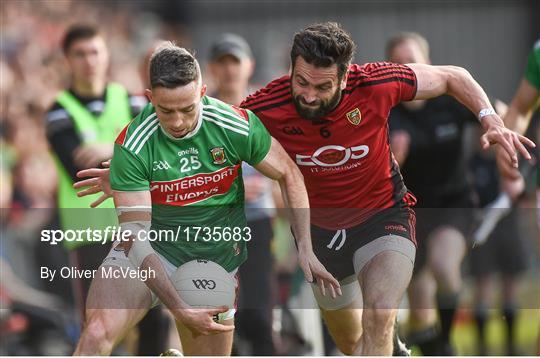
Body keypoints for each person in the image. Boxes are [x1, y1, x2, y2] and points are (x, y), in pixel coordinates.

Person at [77, 23, 535, 355]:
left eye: (322, 86)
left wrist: (491, 120)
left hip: (383, 217)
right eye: (301, 82)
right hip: (320, 235)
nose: (309, 95)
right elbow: (197, 132)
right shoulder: (266, 105)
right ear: (289, 71)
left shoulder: (377, 83)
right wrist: (127, 172)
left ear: (345, 75)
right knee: (352, 340)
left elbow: (454, 75)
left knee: (378, 314)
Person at [72, 43, 339, 356]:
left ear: (202, 92)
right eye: (165, 111)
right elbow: (134, 238)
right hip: (149, 249)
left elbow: (289, 174)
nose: (177, 122)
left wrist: (305, 247)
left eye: (187, 109)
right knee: (97, 333)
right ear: (150, 98)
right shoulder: (133, 143)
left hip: (211, 259)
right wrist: (177, 307)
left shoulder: (234, 124)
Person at [386, 32, 479, 355]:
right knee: (419, 299)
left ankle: (446, 340)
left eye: (413, 59)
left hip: (454, 202)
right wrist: (395, 161)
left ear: (427, 62)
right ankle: (434, 346)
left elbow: (497, 114)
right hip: (408, 210)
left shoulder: (449, 98)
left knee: (443, 266)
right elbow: (372, 174)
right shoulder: (386, 112)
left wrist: (500, 142)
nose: (408, 67)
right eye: (399, 62)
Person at [44, 24, 146, 312]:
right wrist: (130, 149)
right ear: (67, 60)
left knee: (151, 322)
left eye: (95, 52)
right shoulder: (58, 112)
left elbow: (155, 156)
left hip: (135, 228)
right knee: (97, 322)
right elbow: (80, 170)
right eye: (80, 54)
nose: (89, 61)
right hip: (88, 233)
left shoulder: (133, 102)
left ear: (106, 55)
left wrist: (111, 148)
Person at [208, 34, 277, 355]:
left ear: (248, 66)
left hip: (257, 223)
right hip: (212, 227)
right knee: (221, 316)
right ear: (212, 69)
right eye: (222, 63)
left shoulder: (264, 113)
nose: (229, 70)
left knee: (260, 317)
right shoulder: (200, 115)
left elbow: (284, 169)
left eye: (234, 62)